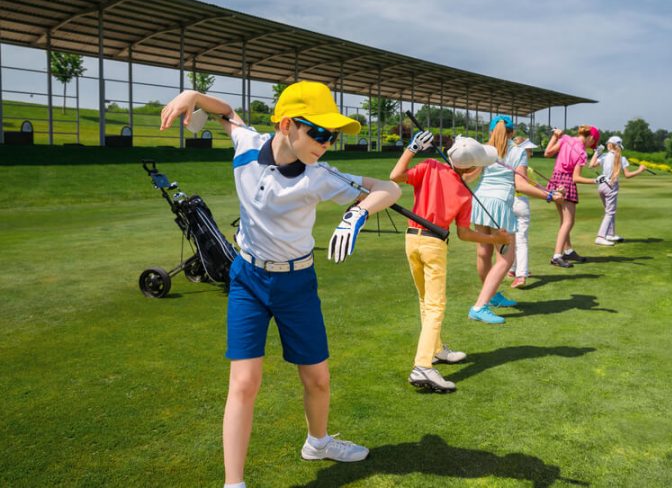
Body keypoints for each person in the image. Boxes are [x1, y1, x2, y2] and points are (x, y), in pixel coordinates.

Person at [160, 81, 402, 488]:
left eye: (333, 136)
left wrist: (356, 214)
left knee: (317, 379)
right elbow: (227, 115)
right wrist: (192, 97)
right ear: (288, 124)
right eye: (319, 133)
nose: (326, 143)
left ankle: (318, 441)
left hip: (296, 284)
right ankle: (233, 484)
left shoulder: (321, 175)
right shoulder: (246, 145)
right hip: (248, 278)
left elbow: (390, 188)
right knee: (244, 382)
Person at [389, 133, 511, 392]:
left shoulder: (431, 166)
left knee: (425, 301)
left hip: (412, 240)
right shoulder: (464, 193)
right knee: (435, 306)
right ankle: (423, 366)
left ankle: (436, 349)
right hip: (434, 245)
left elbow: (395, 175)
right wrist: (496, 237)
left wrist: (412, 149)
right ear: (472, 168)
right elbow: (464, 234)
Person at [468, 116, 563, 323]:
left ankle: (491, 296)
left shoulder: (483, 149)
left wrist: (548, 191)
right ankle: (480, 305)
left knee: (484, 253)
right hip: (500, 204)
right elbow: (520, 185)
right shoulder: (518, 151)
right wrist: (549, 196)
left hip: (480, 201)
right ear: (511, 132)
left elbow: (469, 175)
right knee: (506, 259)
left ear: (491, 131)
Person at [543, 125, 601, 268]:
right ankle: (557, 255)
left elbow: (547, 153)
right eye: (592, 143)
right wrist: (595, 180)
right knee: (569, 222)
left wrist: (555, 136)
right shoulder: (582, 154)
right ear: (591, 138)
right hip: (567, 182)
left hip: (555, 180)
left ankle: (568, 250)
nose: (590, 146)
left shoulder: (565, 139)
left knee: (564, 220)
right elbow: (576, 178)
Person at [589, 135, 646, 245]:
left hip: (601, 186)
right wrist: (640, 170)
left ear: (609, 145)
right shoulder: (622, 158)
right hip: (611, 186)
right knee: (610, 212)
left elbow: (591, 165)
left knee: (609, 211)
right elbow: (627, 175)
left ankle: (610, 234)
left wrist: (597, 153)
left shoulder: (604, 155)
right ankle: (600, 236)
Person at [509, 136, 540, 289]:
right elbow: (534, 187)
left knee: (510, 238)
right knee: (521, 240)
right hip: (520, 203)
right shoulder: (526, 169)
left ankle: (512, 269)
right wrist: (551, 194)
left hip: (507, 202)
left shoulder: (506, 163)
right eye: (529, 150)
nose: (531, 153)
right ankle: (521, 275)